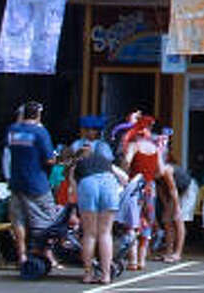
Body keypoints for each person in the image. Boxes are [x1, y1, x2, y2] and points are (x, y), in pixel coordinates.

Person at [6, 101, 58, 268]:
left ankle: (21, 255)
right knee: (47, 218)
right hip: (37, 183)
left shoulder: (12, 131)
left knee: (18, 219)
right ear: (38, 115)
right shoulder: (40, 132)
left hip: (16, 182)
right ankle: (46, 254)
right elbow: (49, 159)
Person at [122, 116, 176, 271]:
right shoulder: (155, 149)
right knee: (147, 221)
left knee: (131, 223)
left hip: (134, 186)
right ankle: (142, 259)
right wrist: (150, 175)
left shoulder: (134, 146)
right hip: (150, 188)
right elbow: (161, 170)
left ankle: (132, 260)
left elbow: (126, 162)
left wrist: (126, 173)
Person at [72, 139, 129, 283]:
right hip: (108, 183)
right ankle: (106, 275)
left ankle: (88, 273)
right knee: (105, 233)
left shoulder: (76, 166)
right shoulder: (105, 161)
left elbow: (73, 191)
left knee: (90, 234)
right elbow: (124, 178)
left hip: (87, 184)